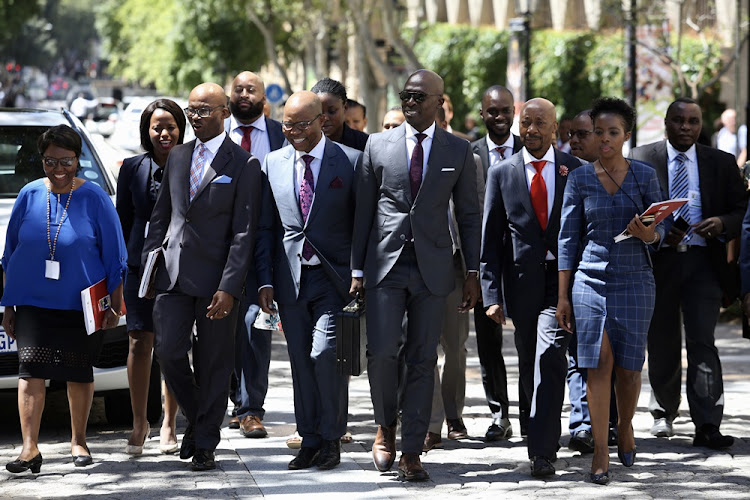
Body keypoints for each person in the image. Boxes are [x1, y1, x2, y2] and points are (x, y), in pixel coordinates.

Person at [350, 69, 481, 482]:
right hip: (385, 265)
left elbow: (469, 216)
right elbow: (363, 214)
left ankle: (411, 449)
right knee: (383, 352)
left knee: (424, 358)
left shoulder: (457, 151)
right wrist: (357, 270)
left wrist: (473, 271)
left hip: (434, 268)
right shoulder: (377, 145)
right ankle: (385, 425)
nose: (410, 101)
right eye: (405, 95)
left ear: (440, 103)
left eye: (419, 97)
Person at [143, 82, 262, 471]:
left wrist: (230, 286)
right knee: (169, 352)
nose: (195, 118)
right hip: (173, 278)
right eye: (191, 111)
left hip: (216, 283)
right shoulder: (177, 156)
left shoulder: (243, 163)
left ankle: (206, 442)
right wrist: (150, 261)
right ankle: (199, 419)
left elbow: (244, 232)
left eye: (204, 110)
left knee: (213, 364)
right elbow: (162, 215)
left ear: (225, 112)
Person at [2, 125, 127, 473]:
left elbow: (115, 253)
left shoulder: (96, 198)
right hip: (32, 302)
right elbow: (10, 253)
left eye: (67, 161)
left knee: (77, 372)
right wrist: (8, 305)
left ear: (78, 159)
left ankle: (79, 441)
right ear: (41, 161)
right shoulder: (28, 195)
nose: (59, 169)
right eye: (51, 162)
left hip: (80, 303)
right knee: (31, 371)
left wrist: (115, 305)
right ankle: (29, 448)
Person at [557, 97, 669, 485]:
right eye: (599, 132)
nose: (604, 139)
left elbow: (661, 230)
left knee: (629, 369)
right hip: (590, 279)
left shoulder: (644, 175)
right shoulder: (580, 178)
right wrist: (563, 295)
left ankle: (625, 427)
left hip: (635, 279)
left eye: (612, 133)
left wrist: (650, 233)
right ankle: (602, 450)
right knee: (597, 362)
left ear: (627, 135)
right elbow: (568, 238)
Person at [629, 97, 747, 450]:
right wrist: (658, 229)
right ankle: (663, 411)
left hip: (703, 264)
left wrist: (722, 222)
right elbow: (632, 209)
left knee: (702, 342)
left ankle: (708, 423)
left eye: (692, 121)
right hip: (658, 262)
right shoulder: (640, 158)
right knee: (661, 339)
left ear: (701, 125)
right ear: (666, 122)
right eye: (678, 120)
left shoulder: (721, 162)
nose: (685, 127)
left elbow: (742, 209)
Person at [255, 90, 355, 471]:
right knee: (300, 360)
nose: (294, 131)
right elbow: (266, 226)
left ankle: (331, 438)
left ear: (321, 122)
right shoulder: (272, 162)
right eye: (287, 124)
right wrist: (264, 280)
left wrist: (358, 273)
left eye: (302, 124)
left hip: (334, 279)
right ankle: (309, 439)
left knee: (325, 355)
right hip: (289, 277)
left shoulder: (349, 161)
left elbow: (360, 225)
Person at [481, 97, 581, 478]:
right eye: (527, 124)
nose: (532, 131)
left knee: (549, 358)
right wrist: (491, 295)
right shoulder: (502, 172)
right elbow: (490, 240)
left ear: (557, 129)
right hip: (521, 287)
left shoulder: (576, 170)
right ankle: (535, 431)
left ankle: (543, 450)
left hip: (562, 286)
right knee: (529, 362)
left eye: (541, 123)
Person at [116, 99, 185, 456]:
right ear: (146, 131)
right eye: (157, 126)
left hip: (178, 267)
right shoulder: (131, 167)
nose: (164, 133)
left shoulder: (191, 163)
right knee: (139, 343)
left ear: (180, 129)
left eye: (170, 126)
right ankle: (139, 421)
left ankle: (170, 423)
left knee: (171, 345)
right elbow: (122, 221)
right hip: (139, 267)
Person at [224, 71, 285, 439]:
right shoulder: (215, 133)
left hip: (268, 245)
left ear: (264, 98)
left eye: (252, 90)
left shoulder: (281, 136)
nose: (245, 94)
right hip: (221, 246)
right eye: (239, 89)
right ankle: (234, 399)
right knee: (223, 328)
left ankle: (250, 409)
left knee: (257, 324)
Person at [423, 108, 486, 452]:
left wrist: (473, 271)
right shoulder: (409, 157)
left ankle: (453, 413)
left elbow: (472, 215)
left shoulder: (465, 157)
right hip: (417, 265)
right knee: (423, 347)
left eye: (440, 120)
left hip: (454, 265)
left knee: (455, 347)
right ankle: (432, 421)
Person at [565, 109, 619, 453]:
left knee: (608, 359)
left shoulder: (616, 176)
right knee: (578, 357)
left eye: (583, 134)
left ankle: (609, 424)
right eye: (572, 134)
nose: (576, 141)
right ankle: (582, 424)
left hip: (613, 280)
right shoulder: (568, 174)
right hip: (574, 280)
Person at [471, 85, 522, 441]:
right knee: (488, 345)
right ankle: (499, 413)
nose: (500, 118)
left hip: (525, 263)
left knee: (534, 342)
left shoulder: (532, 150)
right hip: (484, 264)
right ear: (482, 114)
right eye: (493, 112)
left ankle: (536, 412)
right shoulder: (467, 154)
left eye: (505, 111)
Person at [311, 78, 368, 151]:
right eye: (319, 112)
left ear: (345, 108)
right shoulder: (303, 144)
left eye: (332, 111)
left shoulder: (364, 144)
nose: (325, 118)